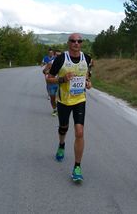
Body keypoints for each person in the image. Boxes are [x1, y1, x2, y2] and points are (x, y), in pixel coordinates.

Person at [47, 33, 92, 182]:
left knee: (79, 132)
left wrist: (88, 83)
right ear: (68, 43)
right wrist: (62, 79)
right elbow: (49, 78)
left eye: (79, 41)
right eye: (73, 41)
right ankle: (61, 144)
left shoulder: (87, 58)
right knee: (63, 127)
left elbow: (87, 75)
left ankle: (77, 167)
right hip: (64, 101)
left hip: (80, 99)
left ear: (82, 43)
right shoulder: (61, 59)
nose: (76, 43)